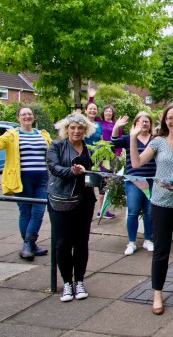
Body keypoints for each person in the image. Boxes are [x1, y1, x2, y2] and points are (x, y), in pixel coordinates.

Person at [130, 103, 173, 316]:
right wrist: (133, 139)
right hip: (161, 205)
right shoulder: (158, 142)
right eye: (170, 118)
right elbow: (137, 162)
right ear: (165, 121)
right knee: (161, 251)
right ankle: (157, 293)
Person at [46, 113, 97, 302]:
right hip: (60, 200)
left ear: (86, 130)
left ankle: (80, 281)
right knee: (62, 243)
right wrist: (71, 171)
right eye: (73, 127)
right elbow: (53, 167)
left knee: (81, 243)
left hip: (84, 201)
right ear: (66, 129)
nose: (76, 131)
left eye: (80, 128)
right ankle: (67, 282)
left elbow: (95, 172)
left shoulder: (90, 150)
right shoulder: (56, 146)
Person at [0, 106, 52, 260]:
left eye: (29, 114)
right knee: (26, 212)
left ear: (33, 117)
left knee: (39, 211)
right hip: (21, 178)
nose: (27, 116)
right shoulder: (11, 135)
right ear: (18, 118)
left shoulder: (42, 134)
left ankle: (28, 244)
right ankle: (29, 245)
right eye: (24, 114)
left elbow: (52, 152)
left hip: (42, 177)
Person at [111, 112, 157, 256]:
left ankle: (148, 240)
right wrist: (116, 128)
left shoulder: (155, 139)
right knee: (133, 212)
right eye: (141, 121)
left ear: (150, 124)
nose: (144, 124)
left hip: (151, 180)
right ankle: (131, 242)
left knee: (150, 213)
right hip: (133, 181)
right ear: (136, 123)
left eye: (147, 121)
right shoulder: (129, 138)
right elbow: (113, 143)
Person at [95, 104, 121, 219]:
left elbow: (119, 141)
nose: (108, 113)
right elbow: (91, 113)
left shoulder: (117, 125)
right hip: (102, 155)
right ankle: (101, 209)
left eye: (110, 111)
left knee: (110, 183)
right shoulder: (99, 123)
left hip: (112, 156)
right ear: (103, 113)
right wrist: (91, 98)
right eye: (106, 111)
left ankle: (106, 208)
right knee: (103, 182)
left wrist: (118, 154)